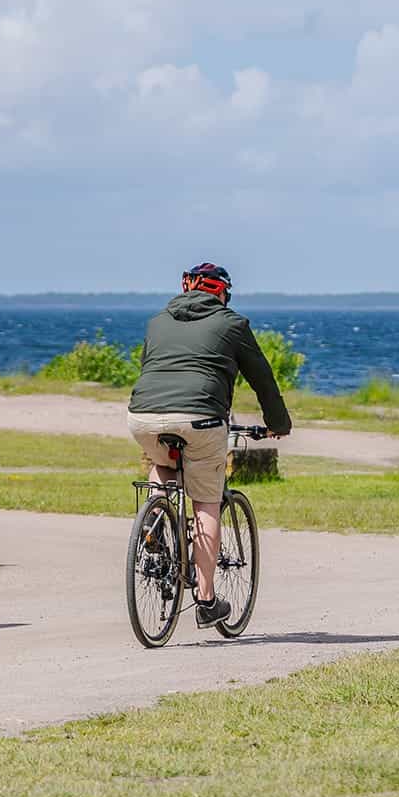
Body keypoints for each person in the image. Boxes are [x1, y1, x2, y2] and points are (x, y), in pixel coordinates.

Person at [127, 263, 292, 628]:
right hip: (201, 420)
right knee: (206, 501)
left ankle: (155, 516)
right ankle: (205, 599)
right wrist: (278, 424)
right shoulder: (233, 325)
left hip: (143, 416)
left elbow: (149, 368)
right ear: (223, 294)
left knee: (163, 464)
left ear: (186, 288)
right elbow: (262, 379)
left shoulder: (157, 322)